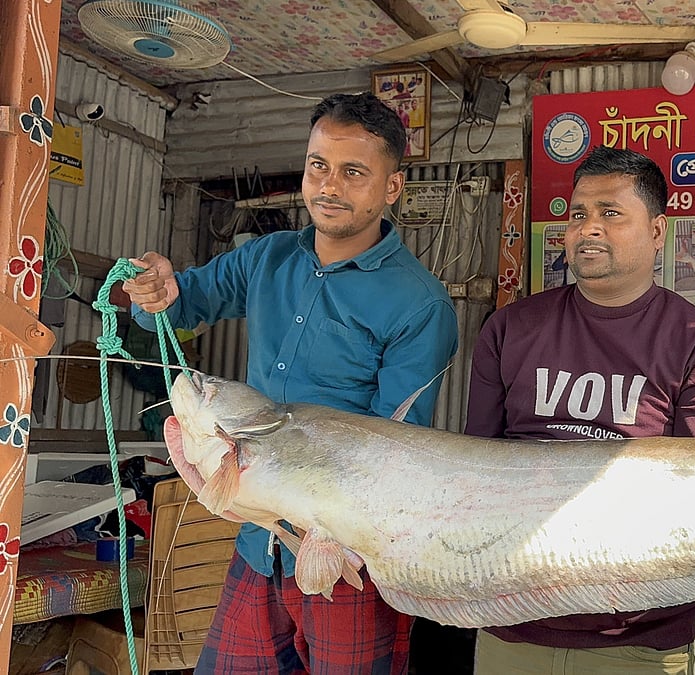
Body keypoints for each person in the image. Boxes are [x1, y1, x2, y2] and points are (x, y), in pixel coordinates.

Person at [124, 92, 459, 675]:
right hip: (258, 547)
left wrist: (326, 537)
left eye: (354, 172)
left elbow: (391, 450)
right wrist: (153, 290)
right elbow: (177, 306)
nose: (329, 186)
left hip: (346, 558)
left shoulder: (421, 304)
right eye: (318, 166)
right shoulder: (266, 258)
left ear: (392, 188)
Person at [465, 145, 695, 675]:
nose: (588, 228)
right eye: (579, 214)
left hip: (635, 640)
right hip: (511, 624)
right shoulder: (510, 329)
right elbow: (479, 476)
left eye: (611, 213)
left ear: (657, 232)